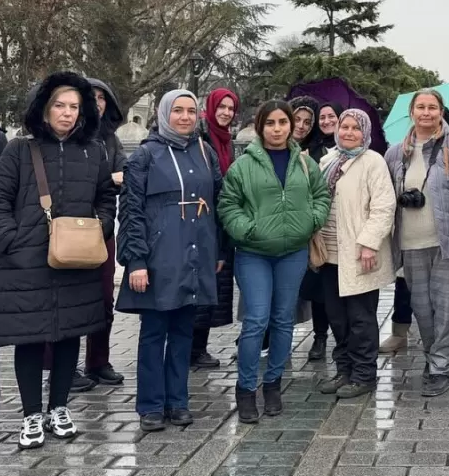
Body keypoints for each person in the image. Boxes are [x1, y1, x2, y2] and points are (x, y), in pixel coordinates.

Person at [0, 71, 117, 450]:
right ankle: (30, 413)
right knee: (29, 338)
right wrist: (11, 242)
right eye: (60, 105)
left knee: (67, 334)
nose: (67, 113)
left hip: (76, 259)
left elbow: (106, 198)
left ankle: (58, 406)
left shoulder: (93, 152)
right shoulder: (19, 150)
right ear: (44, 108)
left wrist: (99, 228)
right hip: (27, 260)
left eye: (74, 106)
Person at [116, 90, 222, 431]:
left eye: (191, 111)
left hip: (195, 252)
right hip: (158, 256)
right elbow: (131, 211)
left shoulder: (205, 153)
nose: (185, 117)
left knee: (183, 332)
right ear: (164, 114)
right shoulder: (145, 155)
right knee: (153, 333)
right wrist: (136, 260)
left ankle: (178, 401)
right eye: (178, 110)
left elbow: (218, 203)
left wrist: (219, 250)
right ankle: (150, 404)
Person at [219, 100, 329, 422]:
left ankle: (273, 384)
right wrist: (246, 229)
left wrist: (312, 220)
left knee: (283, 320)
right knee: (256, 320)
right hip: (254, 253)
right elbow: (228, 204)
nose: (278, 129)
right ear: (260, 126)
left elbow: (321, 195)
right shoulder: (243, 166)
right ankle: (245, 387)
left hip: (292, 252)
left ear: (291, 126)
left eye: (283, 122)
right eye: (271, 123)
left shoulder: (305, 165)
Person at [384, 89, 449, 397]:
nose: (426, 112)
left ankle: (440, 365)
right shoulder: (396, 152)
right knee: (422, 307)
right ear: (411, 112)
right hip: (410, 241)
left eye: (432, 107)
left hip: (448, 240)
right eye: (420, 107)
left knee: (447, 307)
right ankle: (433, 355)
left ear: (441, 112)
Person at [318, 108, 396, 399]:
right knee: (336, 317)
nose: (348, 132)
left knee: (360, 318)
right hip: (329, 252)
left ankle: (364, 374)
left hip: (360, 252)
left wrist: (369, 243)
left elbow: (384, 206)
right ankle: (344, 370)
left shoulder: (372, 162)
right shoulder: (327, 160)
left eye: (355, 128)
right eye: (344, 126)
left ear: (365, 132)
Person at [71, 78, 128, 391]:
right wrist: (108, 178)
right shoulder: (66, 136)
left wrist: (113, 179)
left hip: (101, 226)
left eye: (102, 97)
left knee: (103, 299)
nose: (97, 102)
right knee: (66, 299)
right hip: (67, 229)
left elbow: (125, 173)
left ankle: (98, 361)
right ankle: (61, 368)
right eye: (90, 96)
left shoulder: (111, 140)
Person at [191, 87, 239, 368]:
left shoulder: (227, 142)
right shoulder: (200, 138)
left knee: (212, 288)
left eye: (231, 108)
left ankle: (199, 348)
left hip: (220, 222)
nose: (226, 112)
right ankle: (190, 348)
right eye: (221, 106)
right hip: (200, 218)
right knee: (197, 287)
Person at [291, 96, 331, 362]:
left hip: (312, 227)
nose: (302, 126)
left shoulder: (319, 150)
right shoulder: (276, 144)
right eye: (297, 120)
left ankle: (320, 336)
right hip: (283, 227)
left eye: (308, 121)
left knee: (317, 285)